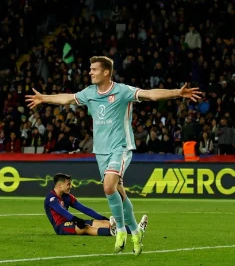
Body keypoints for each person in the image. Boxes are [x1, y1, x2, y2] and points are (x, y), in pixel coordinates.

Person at [26, 56, 201, 255]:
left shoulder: (122, 91)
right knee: (118, 191)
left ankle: (119, 230)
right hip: (101, 152)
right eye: (90, 69)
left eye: (94, 69)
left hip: (121, 147)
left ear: (106, 72)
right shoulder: (89, 93)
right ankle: (135, 231)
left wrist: (177, 93)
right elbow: (66, 98)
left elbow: (151, 95)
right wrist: (43, 98)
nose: (90, 72)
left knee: (109, 186)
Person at [45, 173, 147, 236]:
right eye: (68, 184)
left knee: (103, 223)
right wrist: (76, 220)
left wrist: (102, 218)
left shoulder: (67, 196)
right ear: (59, 185)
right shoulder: (51, 199)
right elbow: (62, 212)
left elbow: (84, 209)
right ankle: (112, 232)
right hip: (61, 227)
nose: (70, 186)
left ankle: (138, 229)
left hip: (71, 222)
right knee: (85, 227)